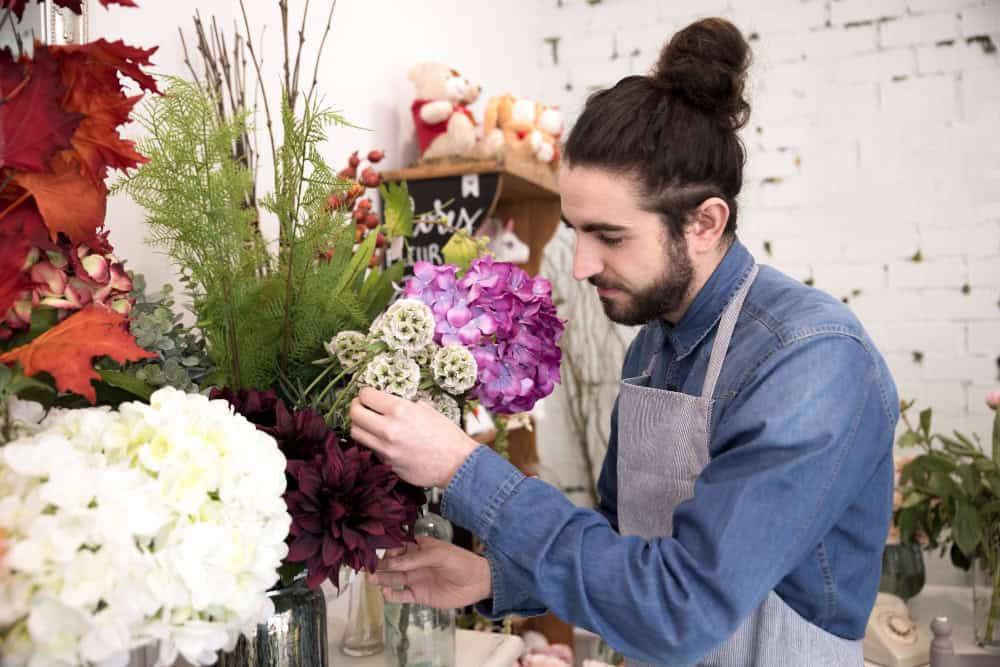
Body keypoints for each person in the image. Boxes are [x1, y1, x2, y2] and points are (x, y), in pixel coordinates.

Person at [349, 16, 898, 666]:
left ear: (704, 222)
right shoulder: (652, 346)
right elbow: (623, 539)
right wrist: (498, 578)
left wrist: (465, 469)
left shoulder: (812, 359)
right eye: (575, 230)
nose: (579, 265)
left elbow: (678, 606)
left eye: (608, 236)